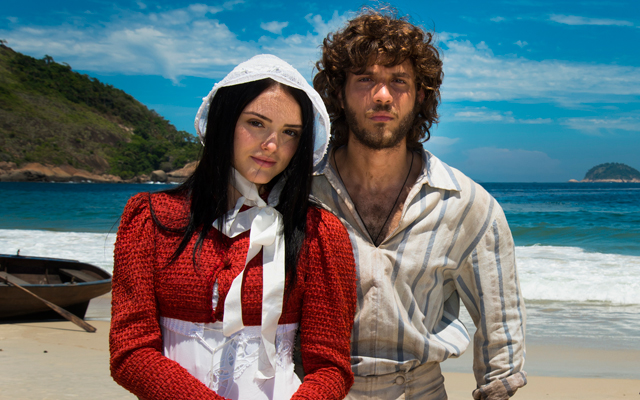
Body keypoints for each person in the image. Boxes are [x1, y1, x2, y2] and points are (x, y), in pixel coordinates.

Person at [109, 54, 357, 400]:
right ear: (224, 121)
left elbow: (330, 367)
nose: (272, 145)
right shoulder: (150, 219)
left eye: (289, 133)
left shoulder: (320, 234)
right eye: (257, 123)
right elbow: (130, 350)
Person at [311, 8, 526, 400]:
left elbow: (501, 331)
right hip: (311, 390)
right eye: (364, 79)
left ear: (420, 95)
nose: (381, 95)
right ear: (339, 94)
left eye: (398, 81)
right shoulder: (301, 194)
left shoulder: (467, 205)